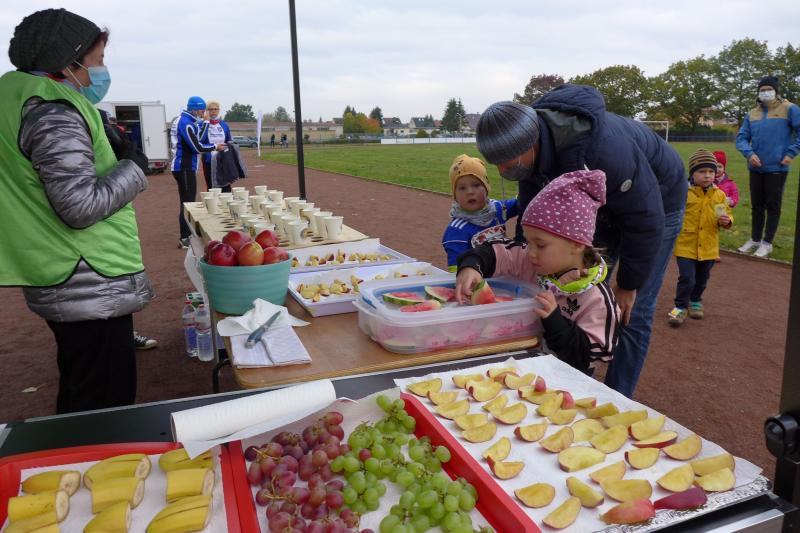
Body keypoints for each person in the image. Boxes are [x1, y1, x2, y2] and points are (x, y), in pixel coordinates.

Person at [475, 87, 687, 398]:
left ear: (532, 143)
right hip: (602, 206)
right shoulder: (530, 151)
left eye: (507, 161)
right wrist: (525, 254)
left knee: (630, 309)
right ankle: (574, 375)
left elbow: (645, 218)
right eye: (496, 163)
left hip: (657, 203)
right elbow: (531, 210)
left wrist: (629, 284)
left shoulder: (603, 150)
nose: (503, 170)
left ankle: (617, 398)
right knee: (572, 283)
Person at [1, 8, 154, 413]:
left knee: (82, 386)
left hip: (63, 270)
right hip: (87, 275)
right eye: (97, 60)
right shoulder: (53, 111)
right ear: (68, 62)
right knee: (104, 403)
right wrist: (134, 168)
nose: (100, 71)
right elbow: (79, 206)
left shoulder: (22, 97)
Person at [455, 169, 620, 374]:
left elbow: (585, 357)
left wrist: (554, 321)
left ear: (577, 244)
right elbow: (492, 252)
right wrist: (471, 266)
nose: (530, 252)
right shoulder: (527, 259)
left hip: (558, 383)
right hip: (512, 372)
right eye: (528, 241)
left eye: (540, 245)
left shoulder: (597, 300)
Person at [735, 76, 800, 258]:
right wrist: (749, 154)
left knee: (773, 206)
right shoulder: (752, 113)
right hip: (755, 167)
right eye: (762, 90)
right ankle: (755, 239)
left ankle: (767, 243)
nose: (765, 92)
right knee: (757, 206)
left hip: (777, 167)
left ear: (776, 91)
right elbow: (741, 138)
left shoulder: (789, 108)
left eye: (768, 89)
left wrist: (790, 153)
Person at [668, 149, 733, 326]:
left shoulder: (719, 194)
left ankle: (695, 300)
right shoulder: (684, 192)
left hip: (709, 246)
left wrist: (727, 221)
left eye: (711, 171)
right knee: (687, 278)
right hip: (686, 244)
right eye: (702, 171)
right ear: (692, 173)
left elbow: (725, 213)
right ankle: (679, 308)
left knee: (702, 278)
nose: (707, 175)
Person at [442, 154, 518, 272]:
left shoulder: (497, 209)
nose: (470, 192)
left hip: (506, 273)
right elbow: (456, 270)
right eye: (462, 188)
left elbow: (522, 202)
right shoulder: (456, 231)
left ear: (486, 188)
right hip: (479, 279)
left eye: (476, 185)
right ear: (455, 195)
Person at [170, 96, 225, 248]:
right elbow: (197, 147)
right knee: (187, 203)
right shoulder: (186, 123)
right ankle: (184, 238)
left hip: (184, 166)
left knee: (188, 202)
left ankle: (187, 235)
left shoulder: (185, 120)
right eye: (202, 110)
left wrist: (205, 124)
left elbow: (197, 139)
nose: (203, 113)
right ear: (195, 109)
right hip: (184, 167)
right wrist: (215, 146)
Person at [199, 100, 232, 192]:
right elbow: (199, 141)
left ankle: (226, 200)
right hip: (208, 159)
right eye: (210, 109)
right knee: (211, 185)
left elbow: (229, 140)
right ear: (207, 111)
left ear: (218, 110)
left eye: (215, 109)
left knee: (226, 185)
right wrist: (206, 123)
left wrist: (229, 145)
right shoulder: (201, 124)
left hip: (223, 159)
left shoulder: (224, 125)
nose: (213, 111)